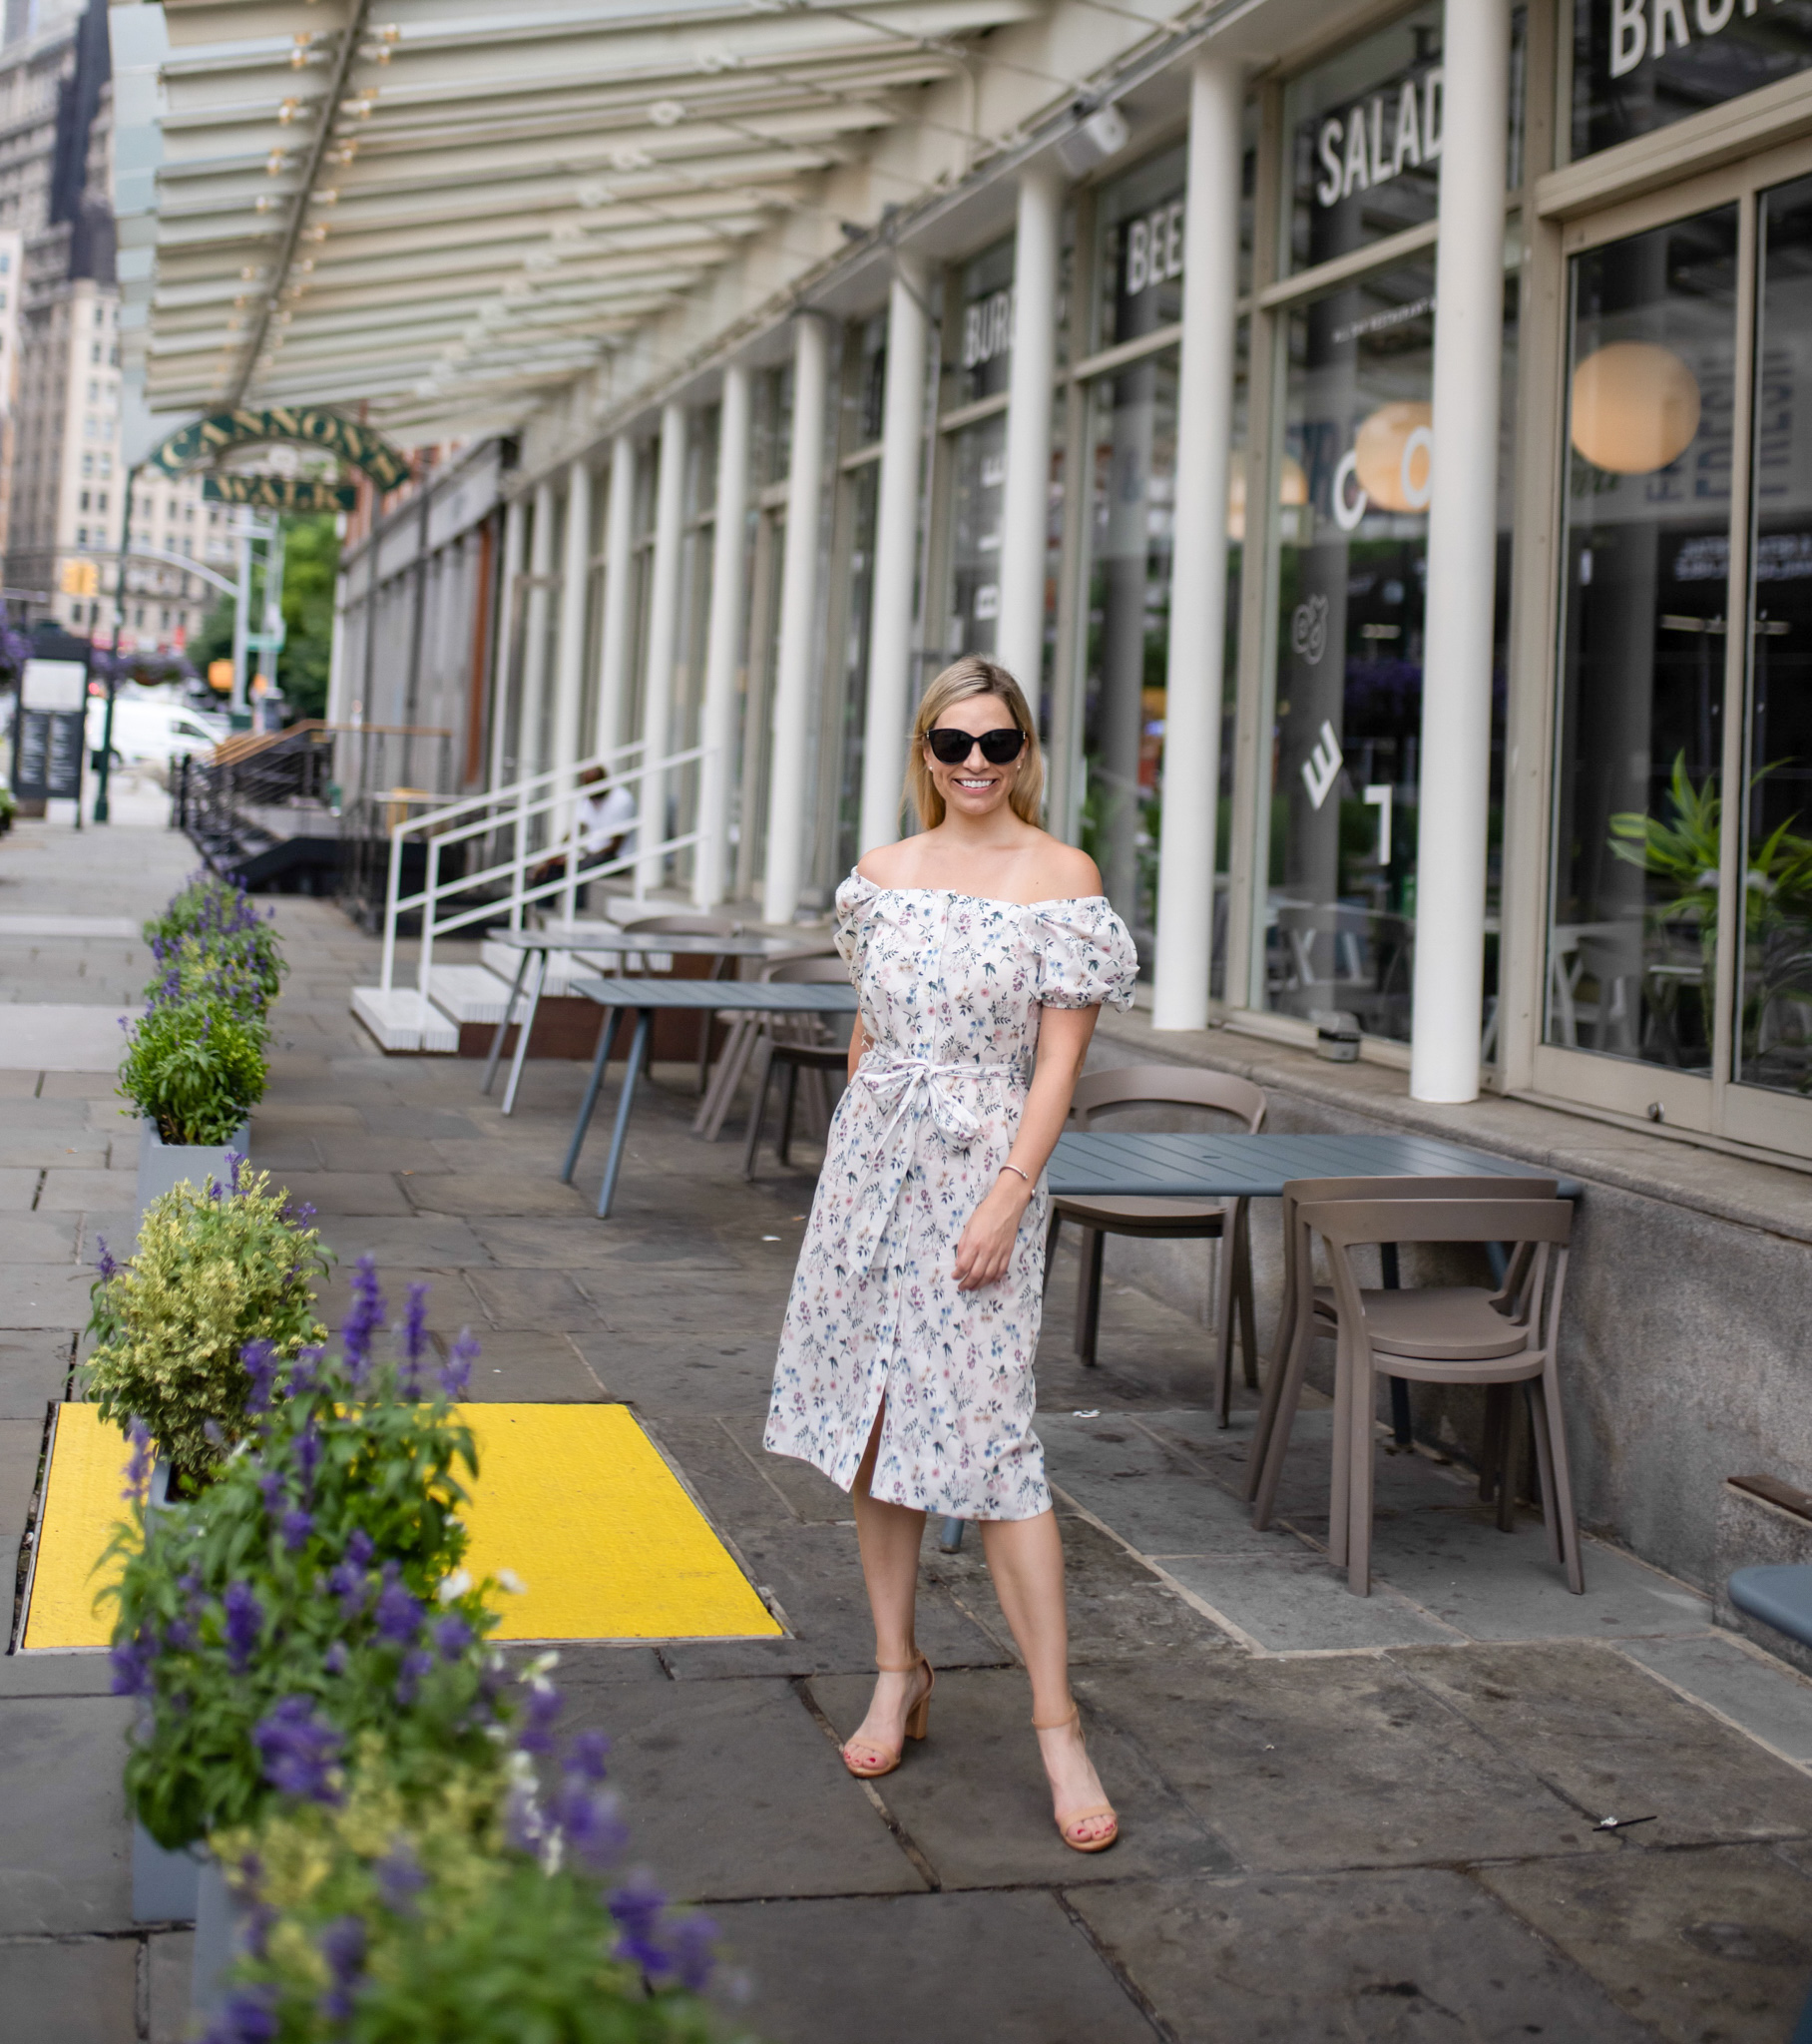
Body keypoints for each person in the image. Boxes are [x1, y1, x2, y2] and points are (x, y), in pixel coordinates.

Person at [764, 655, 1136, 1852]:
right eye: (951, 742)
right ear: (923, 751)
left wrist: (1007, 1193)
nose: (973, 764)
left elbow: (1058, 1068)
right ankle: (894, 1669)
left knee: (993, 1440)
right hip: (870, 1176)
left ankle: (1054, 1720)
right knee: (876, 1421)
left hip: (984, 1173)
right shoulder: (879, 877)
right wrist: (854, 1150)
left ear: (1025, 751)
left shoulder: (1061, 879)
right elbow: (872, 1022)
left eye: (996, 742)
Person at [529, 765, 636, 905]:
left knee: (580, 869)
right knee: (552, 868)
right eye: (586, 786)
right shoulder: (589, 798)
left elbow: (615, 845)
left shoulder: (621, 800)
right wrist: (557, 855)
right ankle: (543, 910)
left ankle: (577, 913)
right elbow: (577, 829)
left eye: (592, 785)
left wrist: (582, 857)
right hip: (591, 854)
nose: (588, 790)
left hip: (615, 857)